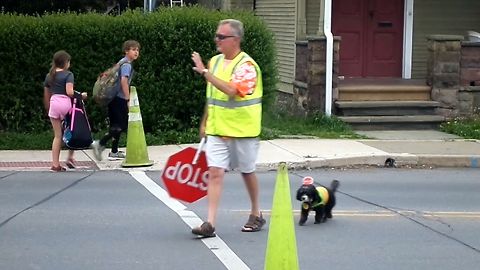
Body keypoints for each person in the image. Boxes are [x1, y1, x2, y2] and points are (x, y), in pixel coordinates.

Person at [190, 19, 265, 237]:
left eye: (222, 37)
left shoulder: (247, 66)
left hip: (243, 132)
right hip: (217, 130)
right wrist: (204, 121)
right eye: (217, 36)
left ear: (236, 40)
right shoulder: (214, 62)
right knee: (215, 172)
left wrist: (205, 73)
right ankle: (210, 223)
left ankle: (256, 213)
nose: (217, 40)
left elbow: (232, 90)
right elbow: (212, 96)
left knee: (247, 172)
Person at [91, 40, 140, 161]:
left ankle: (114, 151)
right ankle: (100, 143)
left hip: (112, 98)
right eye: (133, 49)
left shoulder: (121, 62)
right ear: (126, 51)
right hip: (119, 98)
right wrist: (128, 99)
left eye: (137, 50)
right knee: (121, 125)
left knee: (115, 125)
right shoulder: (127, 65)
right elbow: (124, 81)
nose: (136, 52)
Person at [43, 50, 87, 172]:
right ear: (66, 63)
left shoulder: (49, 75)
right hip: (65, 105)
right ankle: (70, 157)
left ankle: (55, 164)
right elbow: (70, 92)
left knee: (57, 136)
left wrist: (48, 107)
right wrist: (81, 95)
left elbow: (47, 93)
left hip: (54, 104)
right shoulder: (68, 74)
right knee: (73, 130)